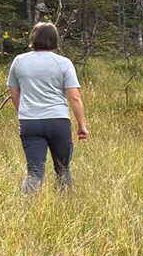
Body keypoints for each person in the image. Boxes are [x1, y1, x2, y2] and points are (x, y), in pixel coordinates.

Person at [6, 22, 87, 193]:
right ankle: (66, 205)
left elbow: (13, 93)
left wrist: (24, 112)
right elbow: (74, 96)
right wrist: (82, 125)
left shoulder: (19, 61)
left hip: (29, 122)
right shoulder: (64, 63)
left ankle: (26, 206)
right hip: (58, 121)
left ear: (33, 38)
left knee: (34, 171)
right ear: (55, 40)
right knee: (63, 168)